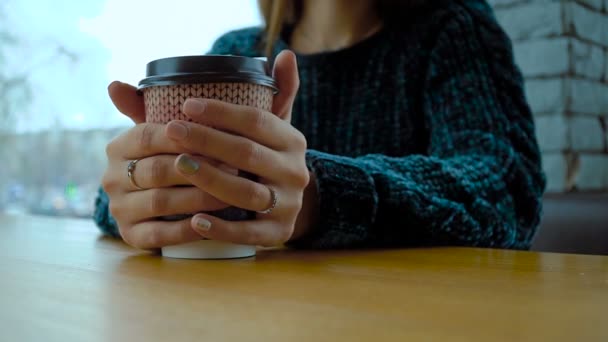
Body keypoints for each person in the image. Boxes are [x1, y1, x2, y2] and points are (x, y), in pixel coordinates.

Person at [94, 0, 546, 250]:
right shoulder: (239, 51)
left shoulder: (453, 29)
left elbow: (506, 189)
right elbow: (129, 189)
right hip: (238, 312)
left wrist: (323, 195)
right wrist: (140, 191)